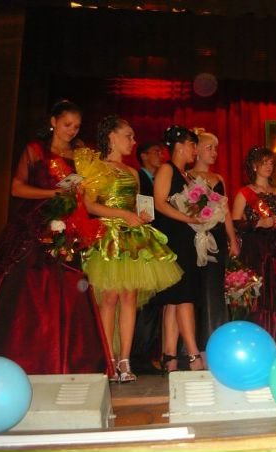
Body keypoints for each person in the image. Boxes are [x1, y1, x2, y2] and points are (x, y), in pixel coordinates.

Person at [0, 99, 112, 375]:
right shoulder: (35, 149)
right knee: (29, 287)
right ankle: (24, 356)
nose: (72, 130)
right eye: (67, 124)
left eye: (76, 126)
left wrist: (80, 194)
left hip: (69, 226)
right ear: (53, 122)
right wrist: (53, 193)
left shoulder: (79, 155)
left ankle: (69, 359)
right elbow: (17, 188)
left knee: (68, 288)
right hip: (34, 224)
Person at [82, 115, 183, 382]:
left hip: (132, 238)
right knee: (110, 298)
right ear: (112, 137)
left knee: (129, 297)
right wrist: (122, 215)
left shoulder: (133, 172)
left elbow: (138, 205)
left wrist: (141, 215)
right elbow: (90, 205)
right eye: (128, 136)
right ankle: (109, 360)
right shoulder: (96, 167)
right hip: (108, 236)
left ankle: (125, 361)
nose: (133, 141)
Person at [231, 146, 276, 348]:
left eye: (271, 163)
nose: (269, 166)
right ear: (254, 166)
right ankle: (258, 344)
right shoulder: (244, 193)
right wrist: (260, 222)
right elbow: (235, 223)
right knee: (259, 297)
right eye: (264, 163)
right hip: (256, 251)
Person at [151, 125, 205, 372]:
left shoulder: (188, 176)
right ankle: (193, 355)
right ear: (180, 146)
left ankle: (170, 357)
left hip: (187, 237)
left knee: (174, 300)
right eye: (193, 145)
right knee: (184, 296)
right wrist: (189, 218)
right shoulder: (167, 169)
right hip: (173, 238)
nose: (195, 150)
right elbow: (159, 203)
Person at [188, 130, 240, 351]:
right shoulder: (186, 176)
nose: (214, 152)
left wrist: (232, 239)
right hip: (193, 237)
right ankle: (193, 347)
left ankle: (216, 342)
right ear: (196, 150)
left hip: (216, 237)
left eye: (216, 149)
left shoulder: (219, 179)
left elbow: (225, 211)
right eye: (209, 147)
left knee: (215, 289)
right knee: (195, 290)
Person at [130, 141, 165, 374]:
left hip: (157, 242)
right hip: (140, 242)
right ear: (143, 156)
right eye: (155, 152)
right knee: (141, 301)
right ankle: (136, 355)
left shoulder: (160, 178)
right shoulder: (138, 177)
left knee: (154, 301)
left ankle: (146, 353)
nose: (160, 155)